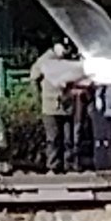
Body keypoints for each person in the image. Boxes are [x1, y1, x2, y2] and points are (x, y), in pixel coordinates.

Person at [32, 39, 81, 174]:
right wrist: (40, 95)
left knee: (68, 138)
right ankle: (53, 166)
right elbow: (33, 76)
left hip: (66, 105)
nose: (66, 50)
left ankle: (69, 165)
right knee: (53, 138)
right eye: (63, 47)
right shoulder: (44, 60)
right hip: (50, 105)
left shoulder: (69, 60)